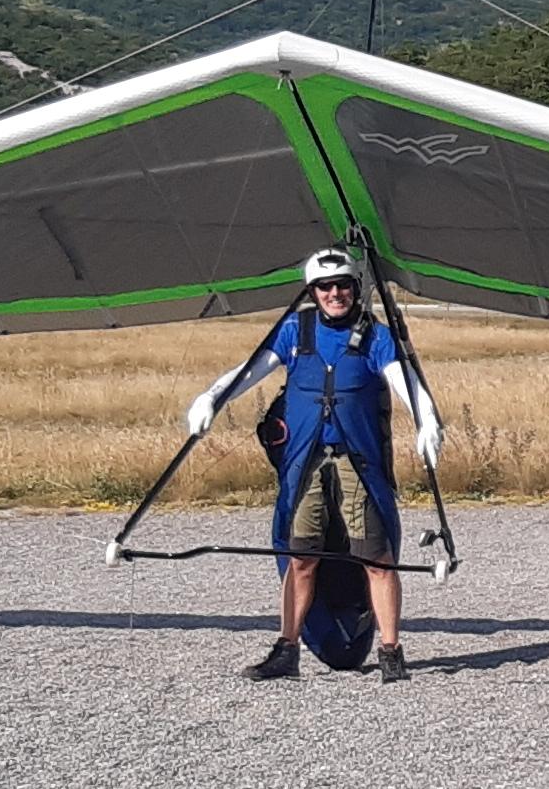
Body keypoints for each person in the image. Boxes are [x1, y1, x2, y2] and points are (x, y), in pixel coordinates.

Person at [185, 248, 441, 682]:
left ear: (355, 288)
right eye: (325, 287)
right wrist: (211, 397)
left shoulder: (375, 337)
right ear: (312, 292)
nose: (335, 293)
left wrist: (427, 420)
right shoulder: (295, 331)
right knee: (300, 556)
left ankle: (391, 652)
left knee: (376, 558)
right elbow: (249, 371)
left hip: (356, 463)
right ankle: (287, 650)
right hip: (306, 462)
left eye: (343, 285)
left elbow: (406, 381)